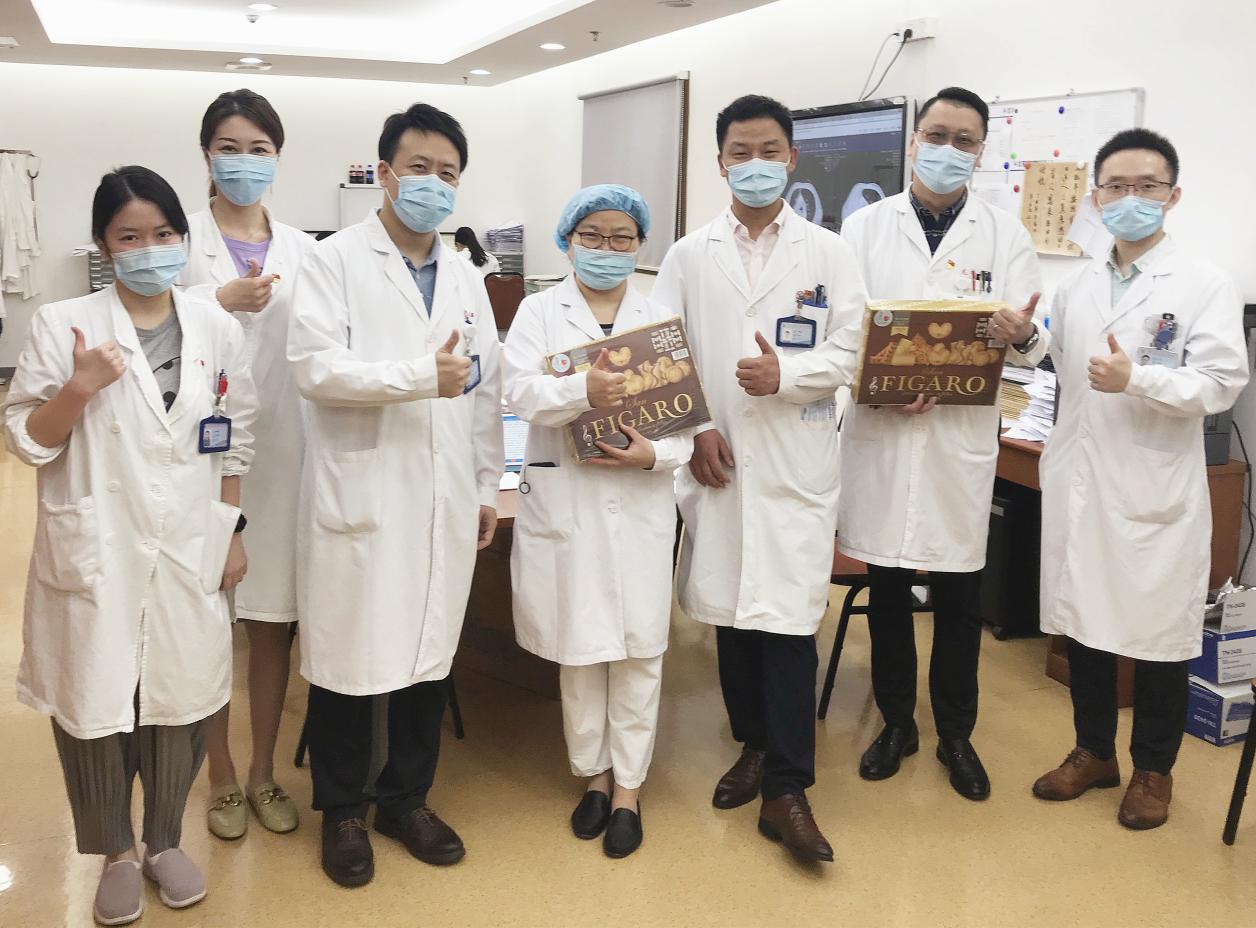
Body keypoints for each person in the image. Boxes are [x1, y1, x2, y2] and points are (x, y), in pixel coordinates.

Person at [2, 166, 257, 925]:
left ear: (182, 236)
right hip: (100, 543)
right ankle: (114, 851)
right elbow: (27, 442)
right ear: (104, 245)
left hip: (190, 538)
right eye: (130, 237)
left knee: (180, 695)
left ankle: (164, 841)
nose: (150, 249)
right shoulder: (64, 324)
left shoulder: (216, 324)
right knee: (94, 696)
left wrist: (230, 530)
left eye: (164, 233)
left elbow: (235, 437)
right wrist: (78, 387)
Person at [288, 103, 504, 888]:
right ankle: (343, 810)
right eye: (419, 169)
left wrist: (485, 484)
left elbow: (485, 390)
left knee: (428, 655)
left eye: (448, 173)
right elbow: (314, 368)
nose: (433, 185)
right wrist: (417, 376)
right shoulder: (334, 260)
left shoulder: (468, 276)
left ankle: (406, 799)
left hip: (444, 492)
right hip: (365, 490)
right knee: (349, 656)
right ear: (385, 173)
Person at [653, 94, 868, 863]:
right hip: (719, 461)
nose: (755, 164)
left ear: (792, 159)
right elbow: (664, 353)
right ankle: (752, 744)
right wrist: (695, 429)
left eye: (769, 150)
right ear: (720, 163)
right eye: (740, 152)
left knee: (788, 625)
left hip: (794, 462)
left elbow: (851, 351)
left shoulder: (829, 253)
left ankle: (787, 787)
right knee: (733, 620)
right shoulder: (687, 255)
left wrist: (789, 375)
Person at [1031, 129, 1248, 829]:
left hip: (1153, 486)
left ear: (1172, 195)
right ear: (1096, 198)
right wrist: (1025, 337)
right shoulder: (1077, 284)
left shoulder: (1204, 283)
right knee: (1085, 623)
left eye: (1147, 186)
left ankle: (1154, 770)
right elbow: (1061, 365)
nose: (1131, 198)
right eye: (1116, 187)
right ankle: (1094, 752)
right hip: (1082, 478)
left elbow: (1221, 383)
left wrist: (1139, 379)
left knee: (1160, 637)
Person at [836, 87, 1047, 801]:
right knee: (889, 589)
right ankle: (897, 723)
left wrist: (1023, 333)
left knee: (960, 595)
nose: (948, 150)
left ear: (981, 151)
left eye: (964, 140)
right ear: (913, 140)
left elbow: (1033, 340)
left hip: (959, 441)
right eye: (937, 135)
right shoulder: (865, 228)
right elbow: (845, 334)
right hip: (884, 433)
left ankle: (957, 732)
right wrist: (879, 386)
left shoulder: (1004, 235)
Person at [503, 185, 692, 859]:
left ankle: (629, 790)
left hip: (640, 503)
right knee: (580, 652)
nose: (606, 249)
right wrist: (578, 390)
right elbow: (518, 391)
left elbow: (685, 427)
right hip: (570, 501)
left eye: (620, 237)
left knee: (640, 651)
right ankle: (593, 776)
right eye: (592, 236)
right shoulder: (537, 311)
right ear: (567, 241)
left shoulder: (659, 319)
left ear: (640, 245)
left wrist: (654, 457)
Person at [179, 88, 315, 842]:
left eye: (258, 149)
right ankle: (221, 775)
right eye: (229, 148)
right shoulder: (179, 241)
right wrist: (214, 298)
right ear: (207, 154)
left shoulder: (305, 250)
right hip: (201, 459)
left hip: (287, 451)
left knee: (270, 621)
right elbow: (148, 328)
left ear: (277, 158)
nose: (244, 162)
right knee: (208, 620)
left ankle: (263, 771)